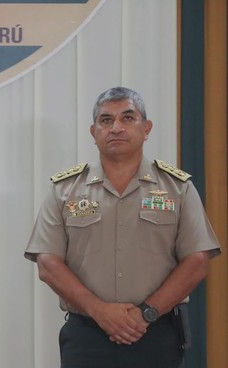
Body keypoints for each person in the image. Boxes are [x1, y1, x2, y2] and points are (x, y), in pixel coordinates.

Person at [24, 87, 222, 368]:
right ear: (94, 133)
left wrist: (146, 314)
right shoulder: (65, 190)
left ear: (146, 128)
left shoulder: (177, 188)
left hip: (156, 333)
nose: (116, 127)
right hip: (87, 335)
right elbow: (48, 263)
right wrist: (100, 311)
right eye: (106, 120)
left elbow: (197, 261)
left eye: (128, 118)